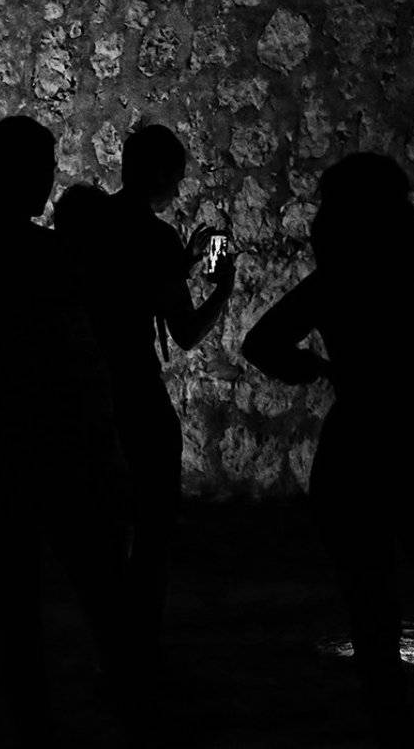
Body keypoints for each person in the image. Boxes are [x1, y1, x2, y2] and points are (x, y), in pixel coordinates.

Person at [242, 152, 414, 749]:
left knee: (372, 605)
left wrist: (314, 368)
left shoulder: (339, 277)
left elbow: (261, 342)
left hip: (354, 449)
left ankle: (393, 727)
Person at [0, 116, 129, 744]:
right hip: (63, 445)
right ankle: (128, 702)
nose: (49, 180)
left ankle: (32, 723)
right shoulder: (55, 256)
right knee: (99, 585)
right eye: (45, 168)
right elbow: (84, 353)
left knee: (15, 604)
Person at [67, 123, 235, 677]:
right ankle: (140, 648)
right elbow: (183, 331)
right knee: (153, 527)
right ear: (161, 175)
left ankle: (109, 645)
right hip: (137, 393)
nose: (177, 188)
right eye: (177, 178)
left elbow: (121, 287)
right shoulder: (155, 237)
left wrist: (179, 265)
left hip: (89, 394)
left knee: (102, 527)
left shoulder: (93, 227)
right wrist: (221, 291)